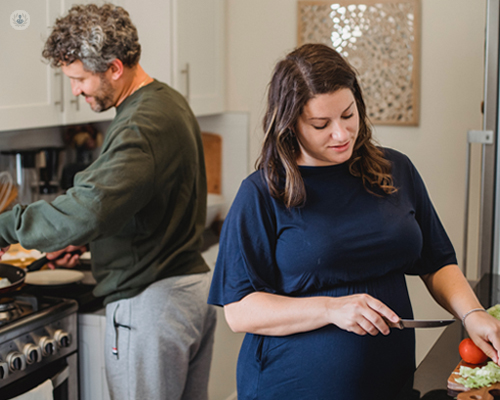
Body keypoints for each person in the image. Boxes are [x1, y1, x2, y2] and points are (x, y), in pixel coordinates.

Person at [207, 43, 500, 400]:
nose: (342, 134)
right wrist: (332, 308)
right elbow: (239, 311)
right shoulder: (263, 193)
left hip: (390, 382)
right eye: (321, 124)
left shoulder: (396, 170)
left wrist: (472, 314)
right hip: (291, 387)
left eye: (348, 115)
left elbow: (436, 262)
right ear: (289, 124)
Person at [0, 4, 216, 400]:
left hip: (152, 305)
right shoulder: (165, 101)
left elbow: (87, 209)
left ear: (115, 68)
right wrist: (86, 243)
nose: (75, 90)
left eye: (80, 78)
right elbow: (136, 204)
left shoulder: (140, 124)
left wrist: (4, 226)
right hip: (184, 293)